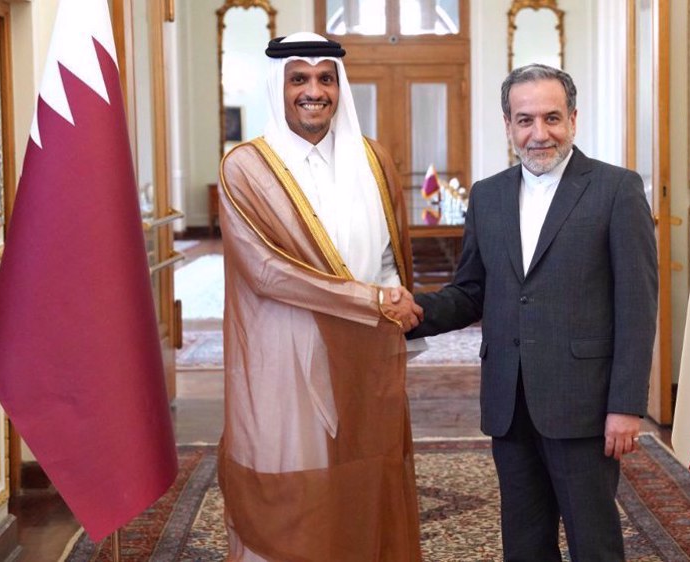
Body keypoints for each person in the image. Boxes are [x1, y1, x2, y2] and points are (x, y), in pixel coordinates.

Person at [403, 64, 658, 560]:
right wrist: (413, 312)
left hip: (583, 404)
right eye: (525, 120)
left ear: (573, 119)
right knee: (524, 541)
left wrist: (626, 405)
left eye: (551, 118)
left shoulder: (615, 190)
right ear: (508, 125)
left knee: (595, 541)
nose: (539, 134)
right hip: (509, 400)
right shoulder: (488, 196)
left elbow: (637, 306)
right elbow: (471, 291)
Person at [216, 32, 424, 561]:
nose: (314, 91)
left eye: (325, 78)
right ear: (278, 87)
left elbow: (387, 257)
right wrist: (372, 301)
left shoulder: (373, 160)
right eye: (299, 79)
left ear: (340, 86)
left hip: (365, 351)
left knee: (364, 471)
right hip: (286, 350)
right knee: (292, 476)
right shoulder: (245, 168)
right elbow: (267, 273)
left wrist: (391, 299)